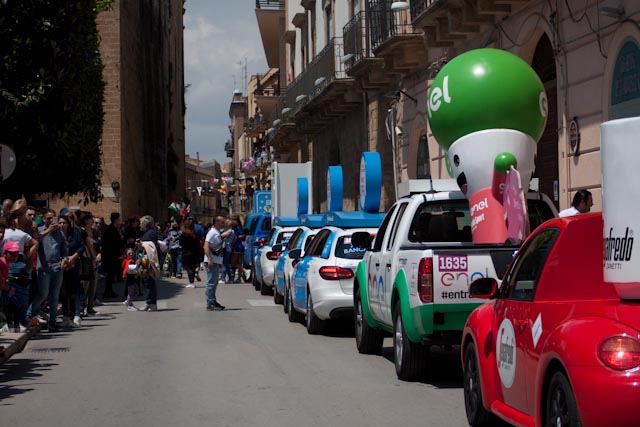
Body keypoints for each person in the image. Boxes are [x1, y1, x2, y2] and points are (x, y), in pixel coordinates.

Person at [27, 210, 68, 331]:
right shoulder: (39, 231)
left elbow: (64, 250)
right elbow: (36, 240)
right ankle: (28, 314)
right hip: (44, 268)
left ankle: (52, 322)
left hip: (57, 267)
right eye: (48, 218)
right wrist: (48, 230)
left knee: (55, 296)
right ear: (44, 219)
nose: (51, 221)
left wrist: (64, 259)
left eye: (52, 218)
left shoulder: (60, 234)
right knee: (43, 294)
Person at [203, 216, 230, 311]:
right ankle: (210, 302)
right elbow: (206, 246)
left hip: (215, 261)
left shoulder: (216, 232)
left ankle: (213, 301)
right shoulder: (212, 233)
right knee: (211, 283)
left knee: (214, 283)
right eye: (222, 222)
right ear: (217, 223)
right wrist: (210, 259)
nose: (224, 224)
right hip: (211, 261)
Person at [139, 215, 160, 312]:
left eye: (141, 223)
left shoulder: (150, 233)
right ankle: (149, 302)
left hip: (148, 261)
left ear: (145, 224)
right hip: (144, 260)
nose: (140, 225)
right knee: (146, 282)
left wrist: (142, 245)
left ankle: (152, 303)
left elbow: (152, 247)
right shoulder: (146, 233)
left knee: (150, 282)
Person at [101, 212, 123, 298]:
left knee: (111, 275)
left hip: (113, 255)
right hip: (110, 256)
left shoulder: (114, 229)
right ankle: (107, 291)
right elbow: (110, 243)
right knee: (109, 275)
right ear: (116, 220)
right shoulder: (110, 229)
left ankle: (109, 290)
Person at [179, 218, 200, 288]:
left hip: (186, 252)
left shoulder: (184, 234)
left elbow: (181, 242)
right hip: (194, 252)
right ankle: (192, 282)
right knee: (193, 267)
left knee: (188, 268)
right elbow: (198, 244)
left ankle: (191, 283)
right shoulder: (195, 233)